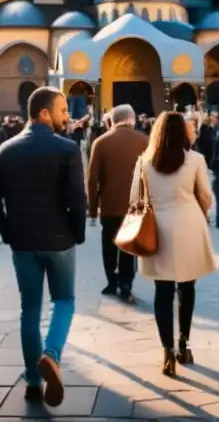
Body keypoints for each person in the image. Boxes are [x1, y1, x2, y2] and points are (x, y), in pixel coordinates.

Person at [0, 87, 86, 408]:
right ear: (44, 112)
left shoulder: (6, 149)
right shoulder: (67, 148)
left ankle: (32, 379)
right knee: (64, 300)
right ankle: (52, 355)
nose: (66, 116)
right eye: (63, 110)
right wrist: (78, 233)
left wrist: (7, 232)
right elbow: (77, 200)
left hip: (23, 243)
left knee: (29, 309)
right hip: (59, 241)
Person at [132, 111, 215, 376]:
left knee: (162, 290)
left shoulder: (144, 162)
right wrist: (199, 208)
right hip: (188, 225)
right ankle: (184, 343)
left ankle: (166, 349)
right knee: (187, 287)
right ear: (183, 133)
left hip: (157, 229)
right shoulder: (195, 160)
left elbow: (134, 197)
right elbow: (205, 195)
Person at [87, 104, 148, 303]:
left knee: (109, 245)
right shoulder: (144, 141)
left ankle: (111, 281)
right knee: (129, 247)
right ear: (132, 119)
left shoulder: (101, 142)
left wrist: (93, 209)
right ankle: (126, 283)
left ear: (112, 120)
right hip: (135, 207)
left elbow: (92, 179)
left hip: (109, 205)